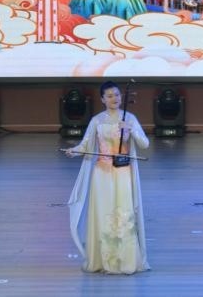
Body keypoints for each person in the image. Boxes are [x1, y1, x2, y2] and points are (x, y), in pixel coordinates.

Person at [65, 81, 150, 274]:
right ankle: (104, 261)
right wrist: (74, 151)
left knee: (124, 214)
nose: (115, 99)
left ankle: (125, 261)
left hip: (123, 172)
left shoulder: (130, 118)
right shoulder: (97, 120)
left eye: (117, 95)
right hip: (101, 174)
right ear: (102, 99)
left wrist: (132, 130)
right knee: (104, 214)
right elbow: (85, 145)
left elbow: (144, 144)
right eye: (110, 96)